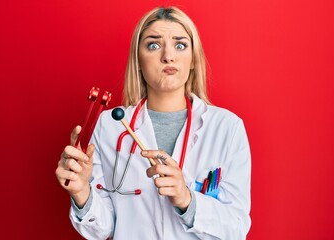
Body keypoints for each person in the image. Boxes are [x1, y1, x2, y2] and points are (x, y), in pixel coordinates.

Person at [56, 6, 251, 240]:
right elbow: (102, 229)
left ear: (192, 60)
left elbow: (237, 228)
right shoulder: (110, 125)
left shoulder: (227, 128)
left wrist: (186, 199)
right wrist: (81, 192)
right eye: (153, 45)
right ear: (138, 60)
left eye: (180, 45)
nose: (168, 56)